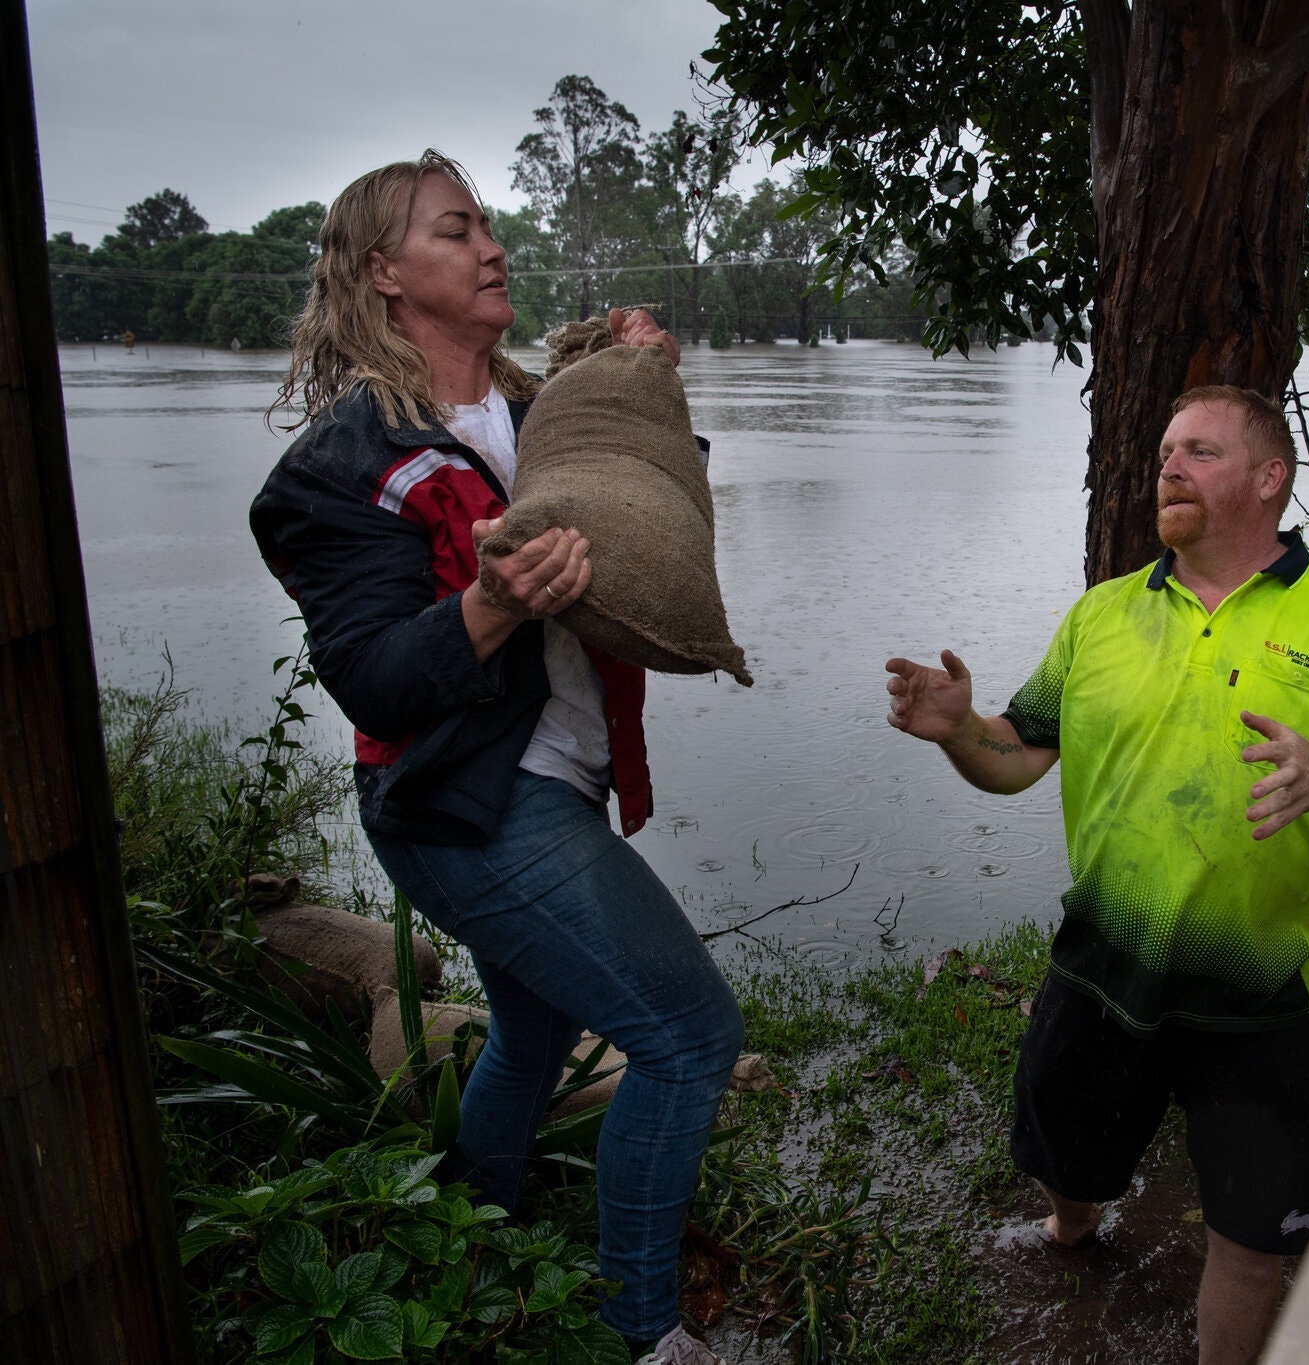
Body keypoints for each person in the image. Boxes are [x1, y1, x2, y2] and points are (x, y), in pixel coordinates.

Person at [250, 150, 739, 1365]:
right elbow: (371, 678)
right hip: (465, 807)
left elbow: (659, 510)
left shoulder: (539, 413)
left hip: (555, 777)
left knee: (526, 1037)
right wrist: (492, 603)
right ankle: (643, 1335)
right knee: (688, 1038)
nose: (490, 248)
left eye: (487, 228)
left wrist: (641, 387)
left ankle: (476, 1240)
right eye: (456, 231)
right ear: (384, 272)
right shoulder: (345, 463)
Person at [884, 385, 1309, 1364]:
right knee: (1065, 1153)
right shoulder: (1103, 615)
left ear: (1268, 478)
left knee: (1250, 1234)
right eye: (1161, 455)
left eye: (1198, 451)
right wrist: (958, 734)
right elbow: (1017, 755)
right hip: (1105, 963)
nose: (1167, 468)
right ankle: (1072, 1231)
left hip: (1260, 992)